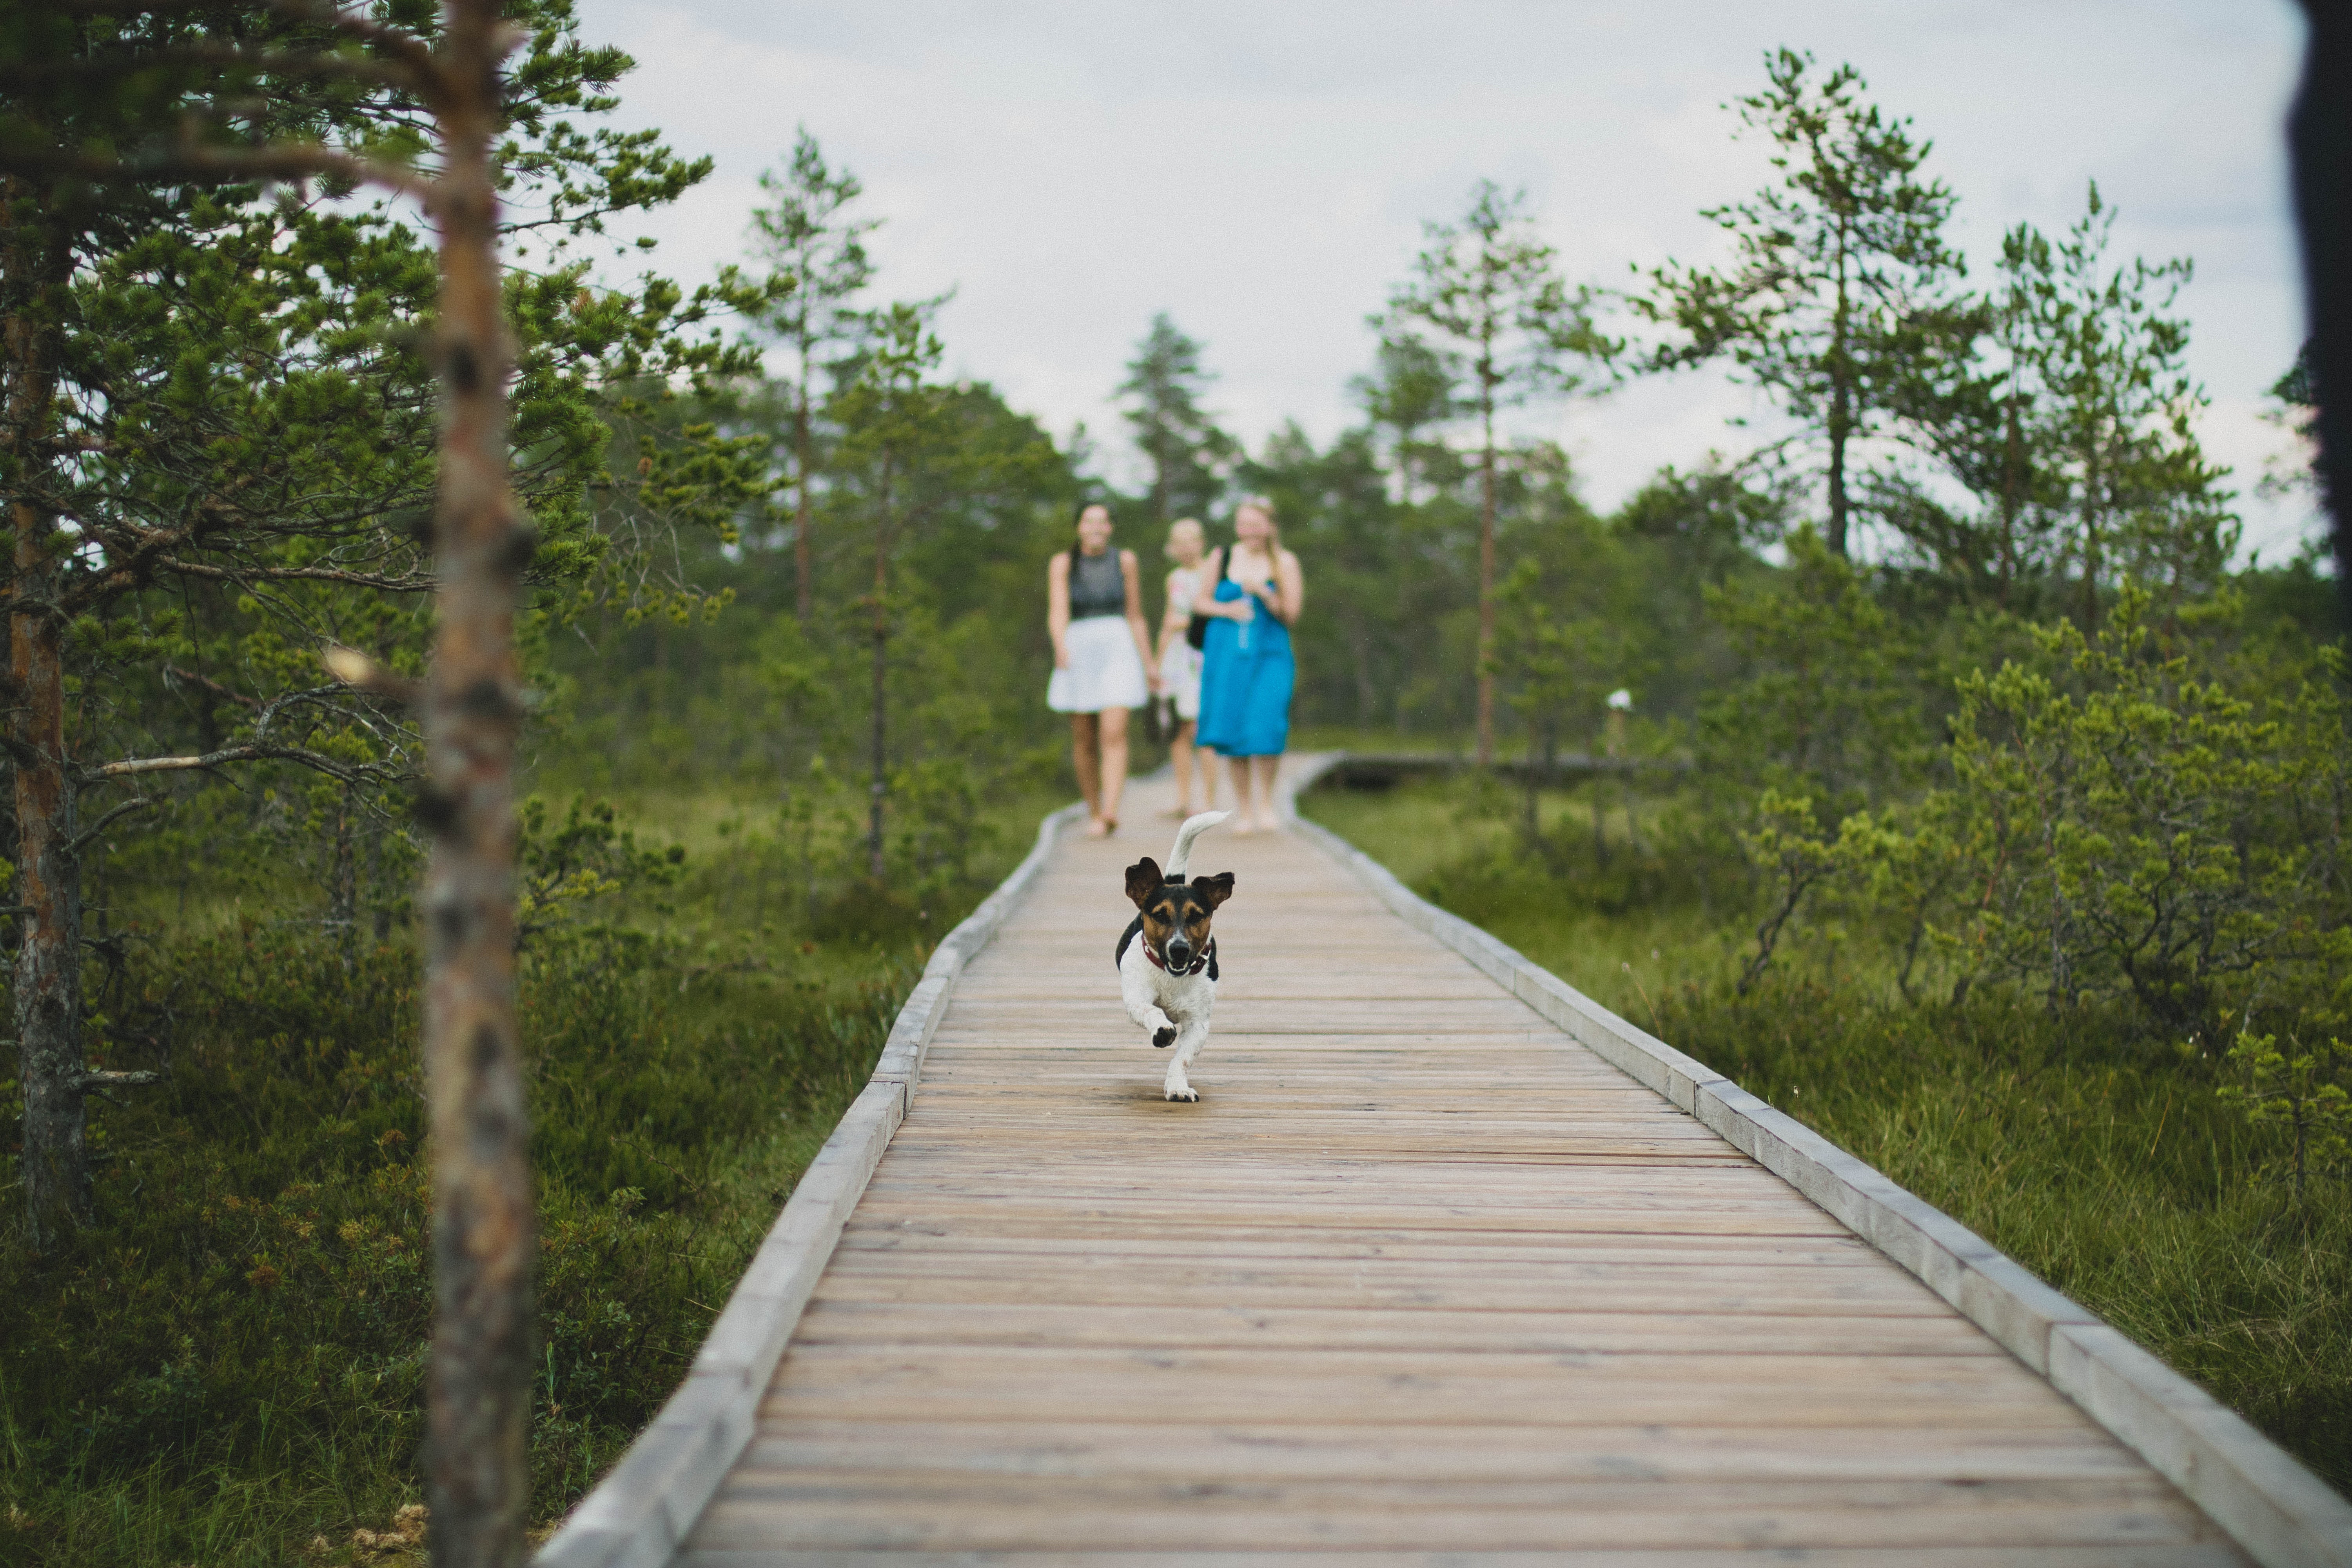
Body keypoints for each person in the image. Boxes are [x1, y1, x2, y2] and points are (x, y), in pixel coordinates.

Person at [1193, 495, 1303, 835]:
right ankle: (1244, 809)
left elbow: (1292, 615)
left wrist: (1265, 594)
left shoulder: (1284, 561)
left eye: (1257, 525)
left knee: (1266, 723)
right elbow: (1200, 601)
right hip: (1228, 655)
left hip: (1270, 653)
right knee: (1234, 728)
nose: (1250, 532)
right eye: (1244, 525)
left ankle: (1266, 802)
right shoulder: (1221, 556)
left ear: (1270, 527)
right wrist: (1227, 610)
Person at [1047, 503, 1158, 837]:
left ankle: (1111, 808)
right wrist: (1060, 646)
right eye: (1089, 521)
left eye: (1102, 521)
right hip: (1079, 643)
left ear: (1110, 528)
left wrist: (1149, 662)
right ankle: (1094, 809)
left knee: (1114, 733)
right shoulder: (1063, 563)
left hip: (1117, 644)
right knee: (1084, 737)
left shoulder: (1125, 561)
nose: (1096, 527)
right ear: (1079, 527)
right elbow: (1057, 610)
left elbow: (1136, 615)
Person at [1154, 517, 1218, 817]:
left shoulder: (1213, 573)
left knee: (1200, 728)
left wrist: (1185, 622)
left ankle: (1209, 800)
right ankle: (1183, 799)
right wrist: (1156, 663)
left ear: (1201, 542)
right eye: (1179, 542)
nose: (1186, 548)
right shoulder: (1174, 577)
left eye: (1191, 540)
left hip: (1202, 654)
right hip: (1176, 659)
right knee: (1177, 731)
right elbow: (1168, 621)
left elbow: (1212, 616)